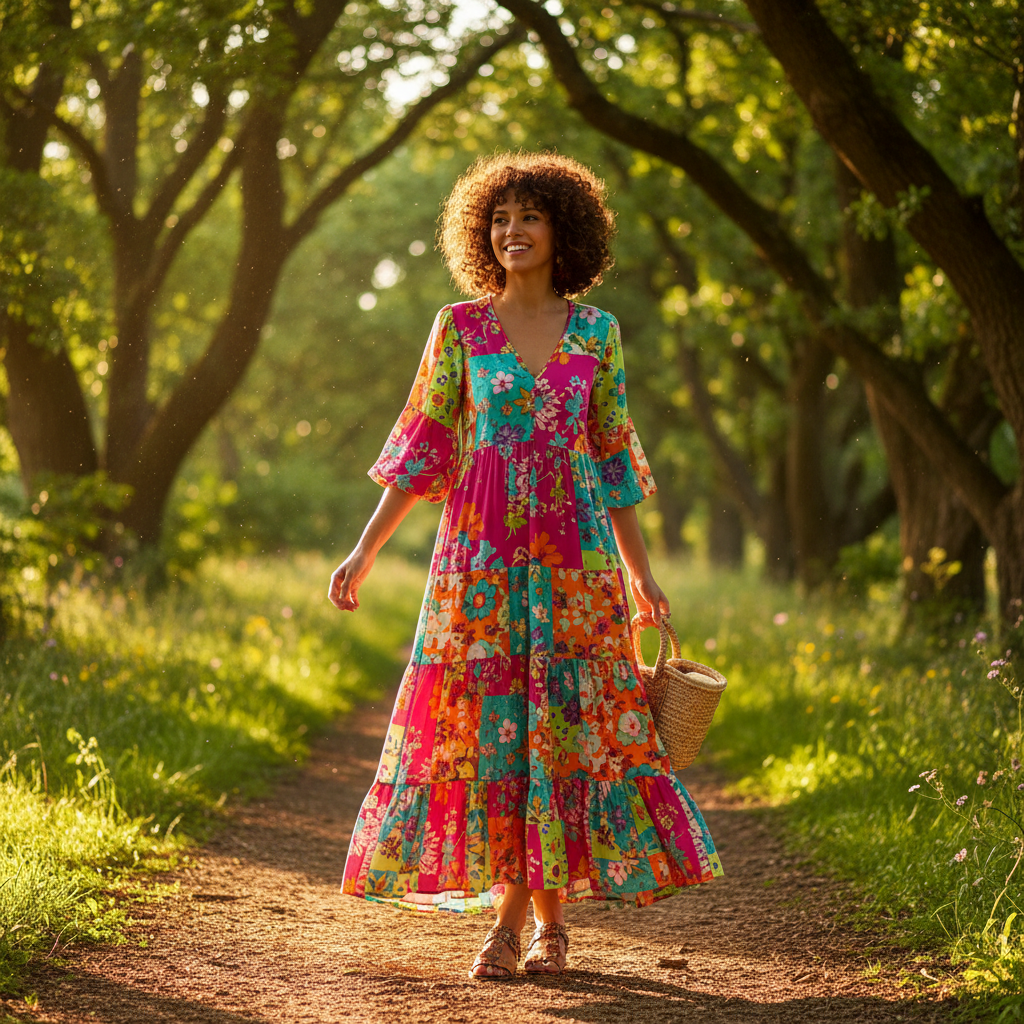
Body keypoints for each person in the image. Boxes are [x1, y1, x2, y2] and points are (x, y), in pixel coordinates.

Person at [329, 152, 722, 980]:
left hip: (577, 562)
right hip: (480, 562)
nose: (513, 231)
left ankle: (517, 930)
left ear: (562, 230)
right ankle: (539, 929)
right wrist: (365, 549)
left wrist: (640, 573)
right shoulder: (458, 329)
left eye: (530, 217)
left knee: (561, 732)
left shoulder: (598, 333)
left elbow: (612, 459)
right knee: (501, 735)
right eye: (500, 219)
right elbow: (423, 448)